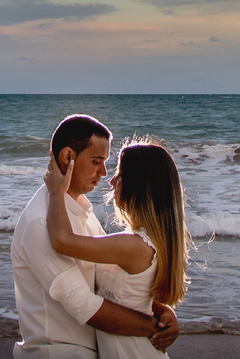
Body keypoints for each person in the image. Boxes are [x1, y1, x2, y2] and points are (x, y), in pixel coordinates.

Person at [11, 115, 179, 358]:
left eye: (107, 163)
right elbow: (83, 303)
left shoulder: (84, 213)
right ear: (68, 157)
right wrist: (155, 327)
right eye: (97, 161)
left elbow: (112, 281)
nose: (105, 173)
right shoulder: (40, 222)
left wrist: (161, 311)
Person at [43, 137, 190, 359]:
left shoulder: (133, 245)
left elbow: (61, 241)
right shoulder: (147, 241)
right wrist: (163, 310)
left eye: (119, 175)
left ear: (137, 185)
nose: (111, 181)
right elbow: (135, 293)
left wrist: (56, 191)